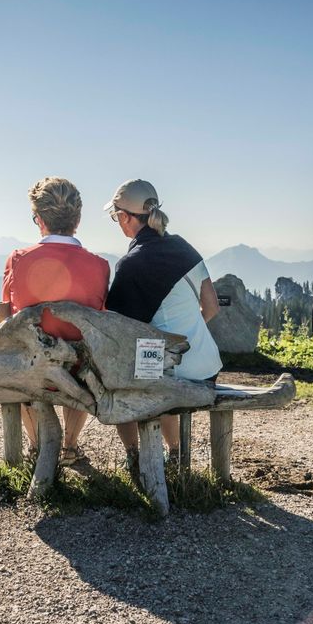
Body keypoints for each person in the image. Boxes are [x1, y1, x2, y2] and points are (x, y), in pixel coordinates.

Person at [103, 179, 221, 468]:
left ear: (126, 217)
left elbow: (119, 331)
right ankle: (175, 453)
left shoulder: (131, 265)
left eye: (115, 215)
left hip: (172, 376)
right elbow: (212, 307)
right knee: (159, 367)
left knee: (121, 380)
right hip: (207, 367)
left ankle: (134, 457)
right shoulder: (183, 247)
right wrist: (186, 338)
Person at [0, 177, 110, 464]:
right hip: (77, 371)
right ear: (78, 219)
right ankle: (69, 447)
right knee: (84, 356)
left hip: (32, 369)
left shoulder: (18, 259)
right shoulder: (99, 266)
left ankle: (38, 447)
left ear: (39, 219)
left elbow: (5, 317)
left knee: (20, 353)